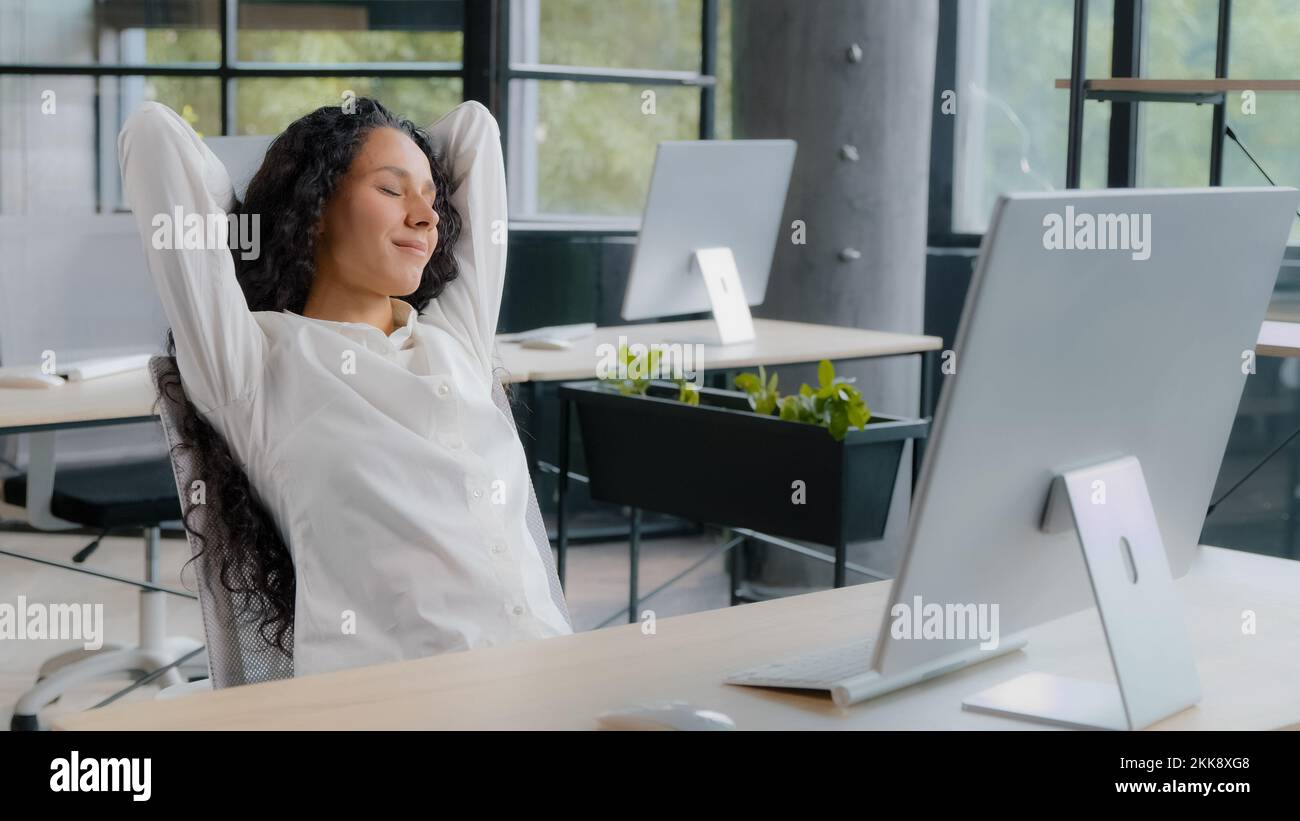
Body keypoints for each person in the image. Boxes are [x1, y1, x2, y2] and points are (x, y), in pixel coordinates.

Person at [118, 97, 573, 679]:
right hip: (393, 702)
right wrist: (257, 206)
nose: (427, 217)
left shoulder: (455, 341)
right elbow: (154, 137)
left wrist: (394, 163)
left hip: (548, 673)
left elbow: (474, 129)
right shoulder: (252, 365)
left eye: (432, 200)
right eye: (390, 191)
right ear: (314, 208)